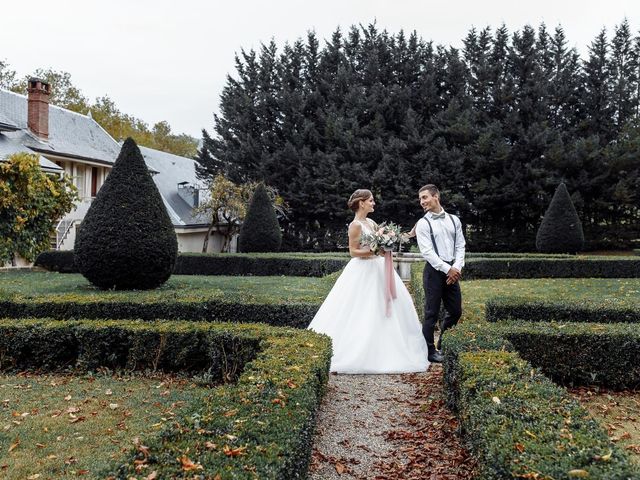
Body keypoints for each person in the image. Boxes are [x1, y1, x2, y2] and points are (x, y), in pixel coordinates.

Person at [307, 189, 429, 374]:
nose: (374, 203)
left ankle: (387, 348)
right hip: (362, 270)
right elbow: (353, 252)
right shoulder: (355, 225)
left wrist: (385, 245)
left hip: (378, 268)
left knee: (386, 306)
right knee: (363, 307)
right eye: (371, 200)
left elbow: (378, 245)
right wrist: (375, 250)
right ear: (361, 203)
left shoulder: (371, 222)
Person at [415, 184, 466, 363]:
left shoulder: (454, 220)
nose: (422, 202)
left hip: (453, 270)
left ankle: (442, 344)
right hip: (434, 272)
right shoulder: (423, 224)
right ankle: (429, 351)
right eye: (421, 199)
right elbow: (427, 252)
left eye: (425, 197)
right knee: (431, 313)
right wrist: (448, 269)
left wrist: (457, 268)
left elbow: (460, 245)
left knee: (455, 311)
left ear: (436, 196)